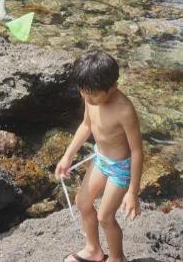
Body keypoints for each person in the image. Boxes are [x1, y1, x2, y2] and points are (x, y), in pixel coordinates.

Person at [56, 50, 143, 262]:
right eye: (84, 93)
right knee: (82, 202)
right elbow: (86, 125)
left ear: (113, 86)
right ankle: (93, 250)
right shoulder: (90, 96)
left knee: (105, 217)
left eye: (93, 95)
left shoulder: (124, 110)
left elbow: (137, 151)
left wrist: (133, 192)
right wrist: (68, 156)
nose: (88, 98)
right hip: (101, 160)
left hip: (120, 168)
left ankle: (117, 258)